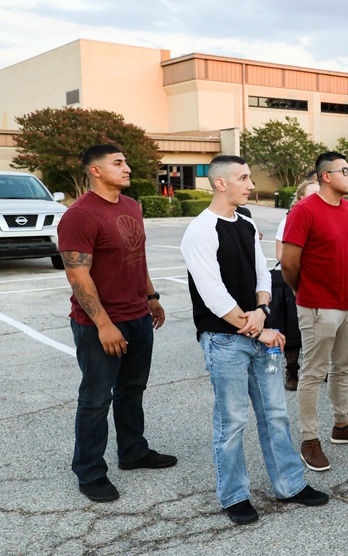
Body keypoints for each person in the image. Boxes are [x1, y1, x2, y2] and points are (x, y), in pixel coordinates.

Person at [180, 155, 328, 524]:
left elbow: (263, 273)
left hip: (257, 333)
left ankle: (290, 485)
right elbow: (213, 296)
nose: (250, 185)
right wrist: (258, 328)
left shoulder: (245, 223)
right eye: (243, 178)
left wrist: (263, 309)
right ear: (220, 183)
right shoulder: (200, 231)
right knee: (231, 422)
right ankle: (234, 496)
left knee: (275, 414)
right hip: (223, 340)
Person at [58, 144, 175, 503]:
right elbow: (78, 276)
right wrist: (104, 325)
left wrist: (151, 297)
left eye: (125, 162)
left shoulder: (130, 205)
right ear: (95, 170)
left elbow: (135, 256)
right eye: (118, 163)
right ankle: (90, 471)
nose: (127, 168)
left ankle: (133, 452)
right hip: (100, 324)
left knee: (132, 390)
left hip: (138, 314)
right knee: (95, 398)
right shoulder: (79, 215)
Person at [281, 151, 348, 474]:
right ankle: (310, 439)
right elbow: (289, 263)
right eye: (345, 171)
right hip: (317, 306)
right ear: (326, 176)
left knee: (344, 367)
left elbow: (347, 254)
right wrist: (305, 293)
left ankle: (343, 425)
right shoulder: (304, 211)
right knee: (313, 372)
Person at [274, 178, 321, 390]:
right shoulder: (290, 220)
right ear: (301, 198)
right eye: (311, 194)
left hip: (320, 282)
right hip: (296, 282)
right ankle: (292, 370)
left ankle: (319, 368)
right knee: (293, 328)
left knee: (320, 328)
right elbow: (281, 255)